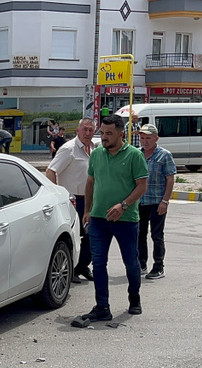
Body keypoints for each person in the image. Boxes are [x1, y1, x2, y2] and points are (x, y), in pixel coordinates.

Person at [79, 114, 148, 323]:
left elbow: (142, 185)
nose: (104, 137)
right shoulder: (97, 154)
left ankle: (134, 299)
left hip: (126, 219)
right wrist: (88, 210)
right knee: (98, 263)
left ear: (121, 134)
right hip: (99, 219)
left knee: (130, 262)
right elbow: (90, 182)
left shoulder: (135, 155)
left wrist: (124, 205)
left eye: (109, 133)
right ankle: (102, 306)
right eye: (102, 133)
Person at [46, 118, 97, 283]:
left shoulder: (95, 148)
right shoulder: (69, 149)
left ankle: (82, 266)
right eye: (85, 130)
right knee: (75, 237)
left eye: (91, 130)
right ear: (78, 131)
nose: (88, 133)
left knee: (93, 236)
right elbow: (51, 171)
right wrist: (57, 196)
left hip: (91, 199)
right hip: (74, 200)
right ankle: (72, 269)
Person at [137, 124, 176, 280]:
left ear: (156, 138)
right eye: (142, 138)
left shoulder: (164, 155)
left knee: (157, 235)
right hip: (140, 202)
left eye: (148, 138)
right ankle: (141, 264)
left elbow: (170, 178)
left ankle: (158, 267)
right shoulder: (137, 154)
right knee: (139, 234)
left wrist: (165, 201)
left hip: (156, 201)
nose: (145, 142)